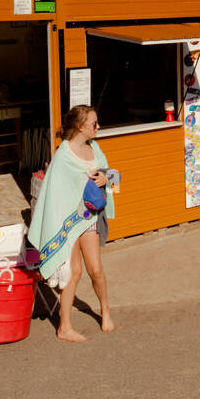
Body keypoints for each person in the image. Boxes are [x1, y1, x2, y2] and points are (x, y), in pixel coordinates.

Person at [28, 105, 116, 342]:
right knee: (73, 272)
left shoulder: (95, 148)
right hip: (68, 222)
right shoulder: (63, 155)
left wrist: (107, 178)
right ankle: (64, 327)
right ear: (80, 127)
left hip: (89, 218)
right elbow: (54, 194)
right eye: (94, 124)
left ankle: (105, 310)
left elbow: (114, 175)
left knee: (95, 269)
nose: (98, 127)